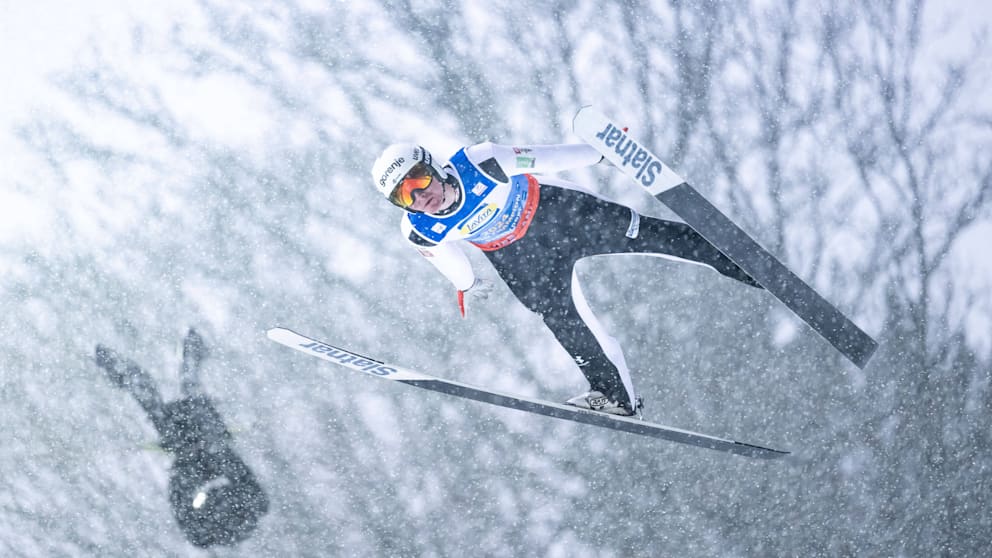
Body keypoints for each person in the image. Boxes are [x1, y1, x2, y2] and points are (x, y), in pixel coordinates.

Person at [371, 142, 762, 416]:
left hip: (560, 214)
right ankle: (615, 396)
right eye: (404, 196)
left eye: (418, 181)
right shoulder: (419, 229)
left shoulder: (480, 162)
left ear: (434, 167)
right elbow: (446, 257)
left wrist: (601, 152)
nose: (420, 198)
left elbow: (546, 157)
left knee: (653, 236)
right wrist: (467, 285)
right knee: (563, 320)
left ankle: (745, 264)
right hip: (518, 257)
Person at [95, 329, 269, 548]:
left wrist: (201, 476)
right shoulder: (239, 509)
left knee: (169, 403)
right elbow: (242, 481)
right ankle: (164, 365)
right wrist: (210, 476)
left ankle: (131, 372)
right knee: (180, 400)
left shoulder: (206, 525)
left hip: (194, 451)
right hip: (201, 447)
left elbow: (183, 498)